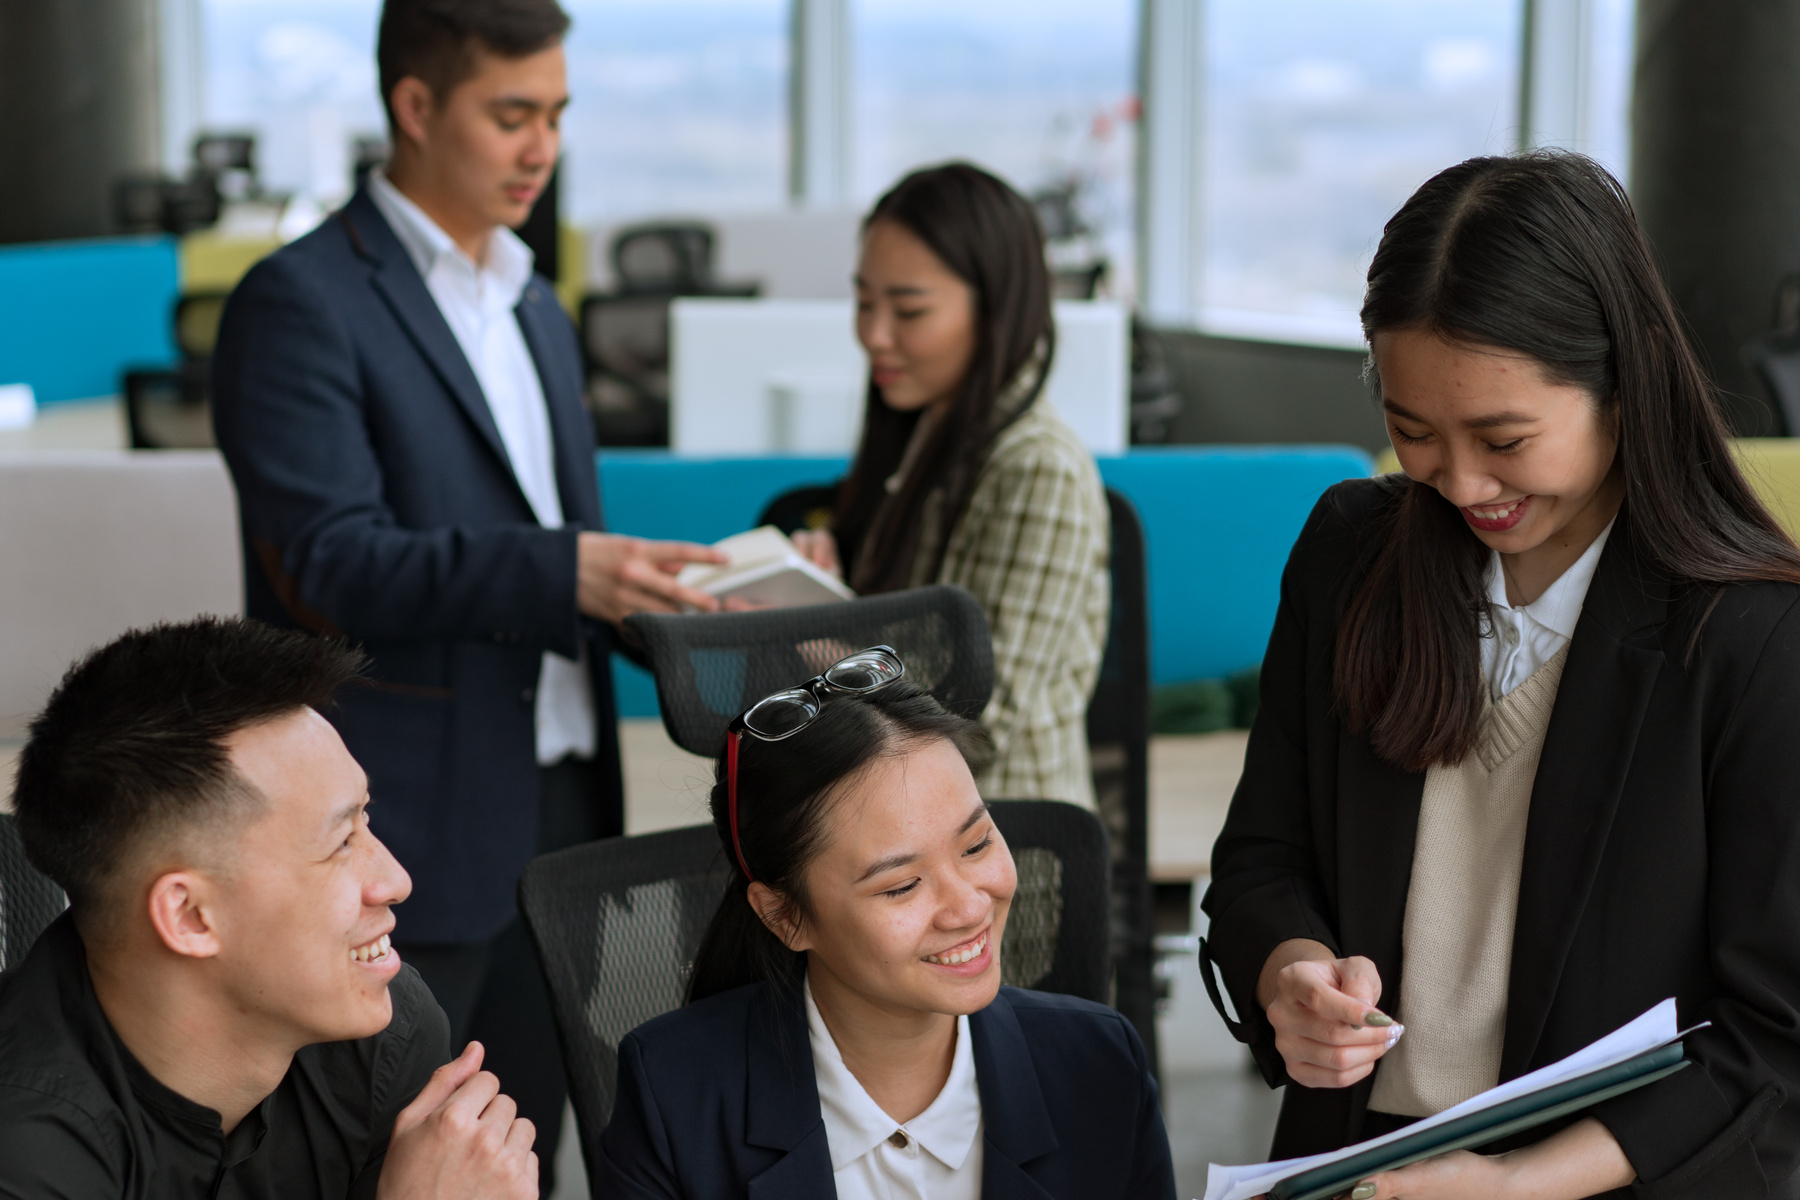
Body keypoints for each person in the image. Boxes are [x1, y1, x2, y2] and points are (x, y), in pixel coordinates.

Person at [1201, 150, 1800, 1198]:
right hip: (1356, 1167)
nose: (1463, 483)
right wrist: (1290, 973)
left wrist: (1521, 1185)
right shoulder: (1353, 555)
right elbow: (1262, 860)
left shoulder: (1751, 639)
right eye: (1412, 432)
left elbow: (1771, 1038)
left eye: (1504, 437)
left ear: (1624, 379)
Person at [210, 1, 725, 1183]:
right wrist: (569, 567)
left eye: (555, 115)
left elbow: (560, 552)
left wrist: (679, 604)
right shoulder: (302, 302)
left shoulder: (534, 301)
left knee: (520, 1150)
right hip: (404, 827)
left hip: (559, 803)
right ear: (416, 106)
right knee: (388, 1161)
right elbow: (328, 562)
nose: (541, 146)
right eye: (511, 115)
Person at [593, 648, 1174, 1198]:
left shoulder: (1100, 1069)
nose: (970, 908)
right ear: (785, 916)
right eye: (901, 885)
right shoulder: (674, 1096)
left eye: (975, 845)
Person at [0, 617, 538, 1200]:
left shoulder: (376, 1035)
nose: (395, 881)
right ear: (189, 916)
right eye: (339, 844)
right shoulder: (28, 1161)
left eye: (367, 818)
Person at [790, 163, 1110, 809]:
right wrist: (827, 590)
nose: (874, 336)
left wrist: (813, 641)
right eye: (863, 303)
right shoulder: (926, 430)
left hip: (996, 855)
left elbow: (978, 726)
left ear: (994, 310)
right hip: (895, 821)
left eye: (908, 310)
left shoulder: (1036, 467)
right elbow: (908, 647)